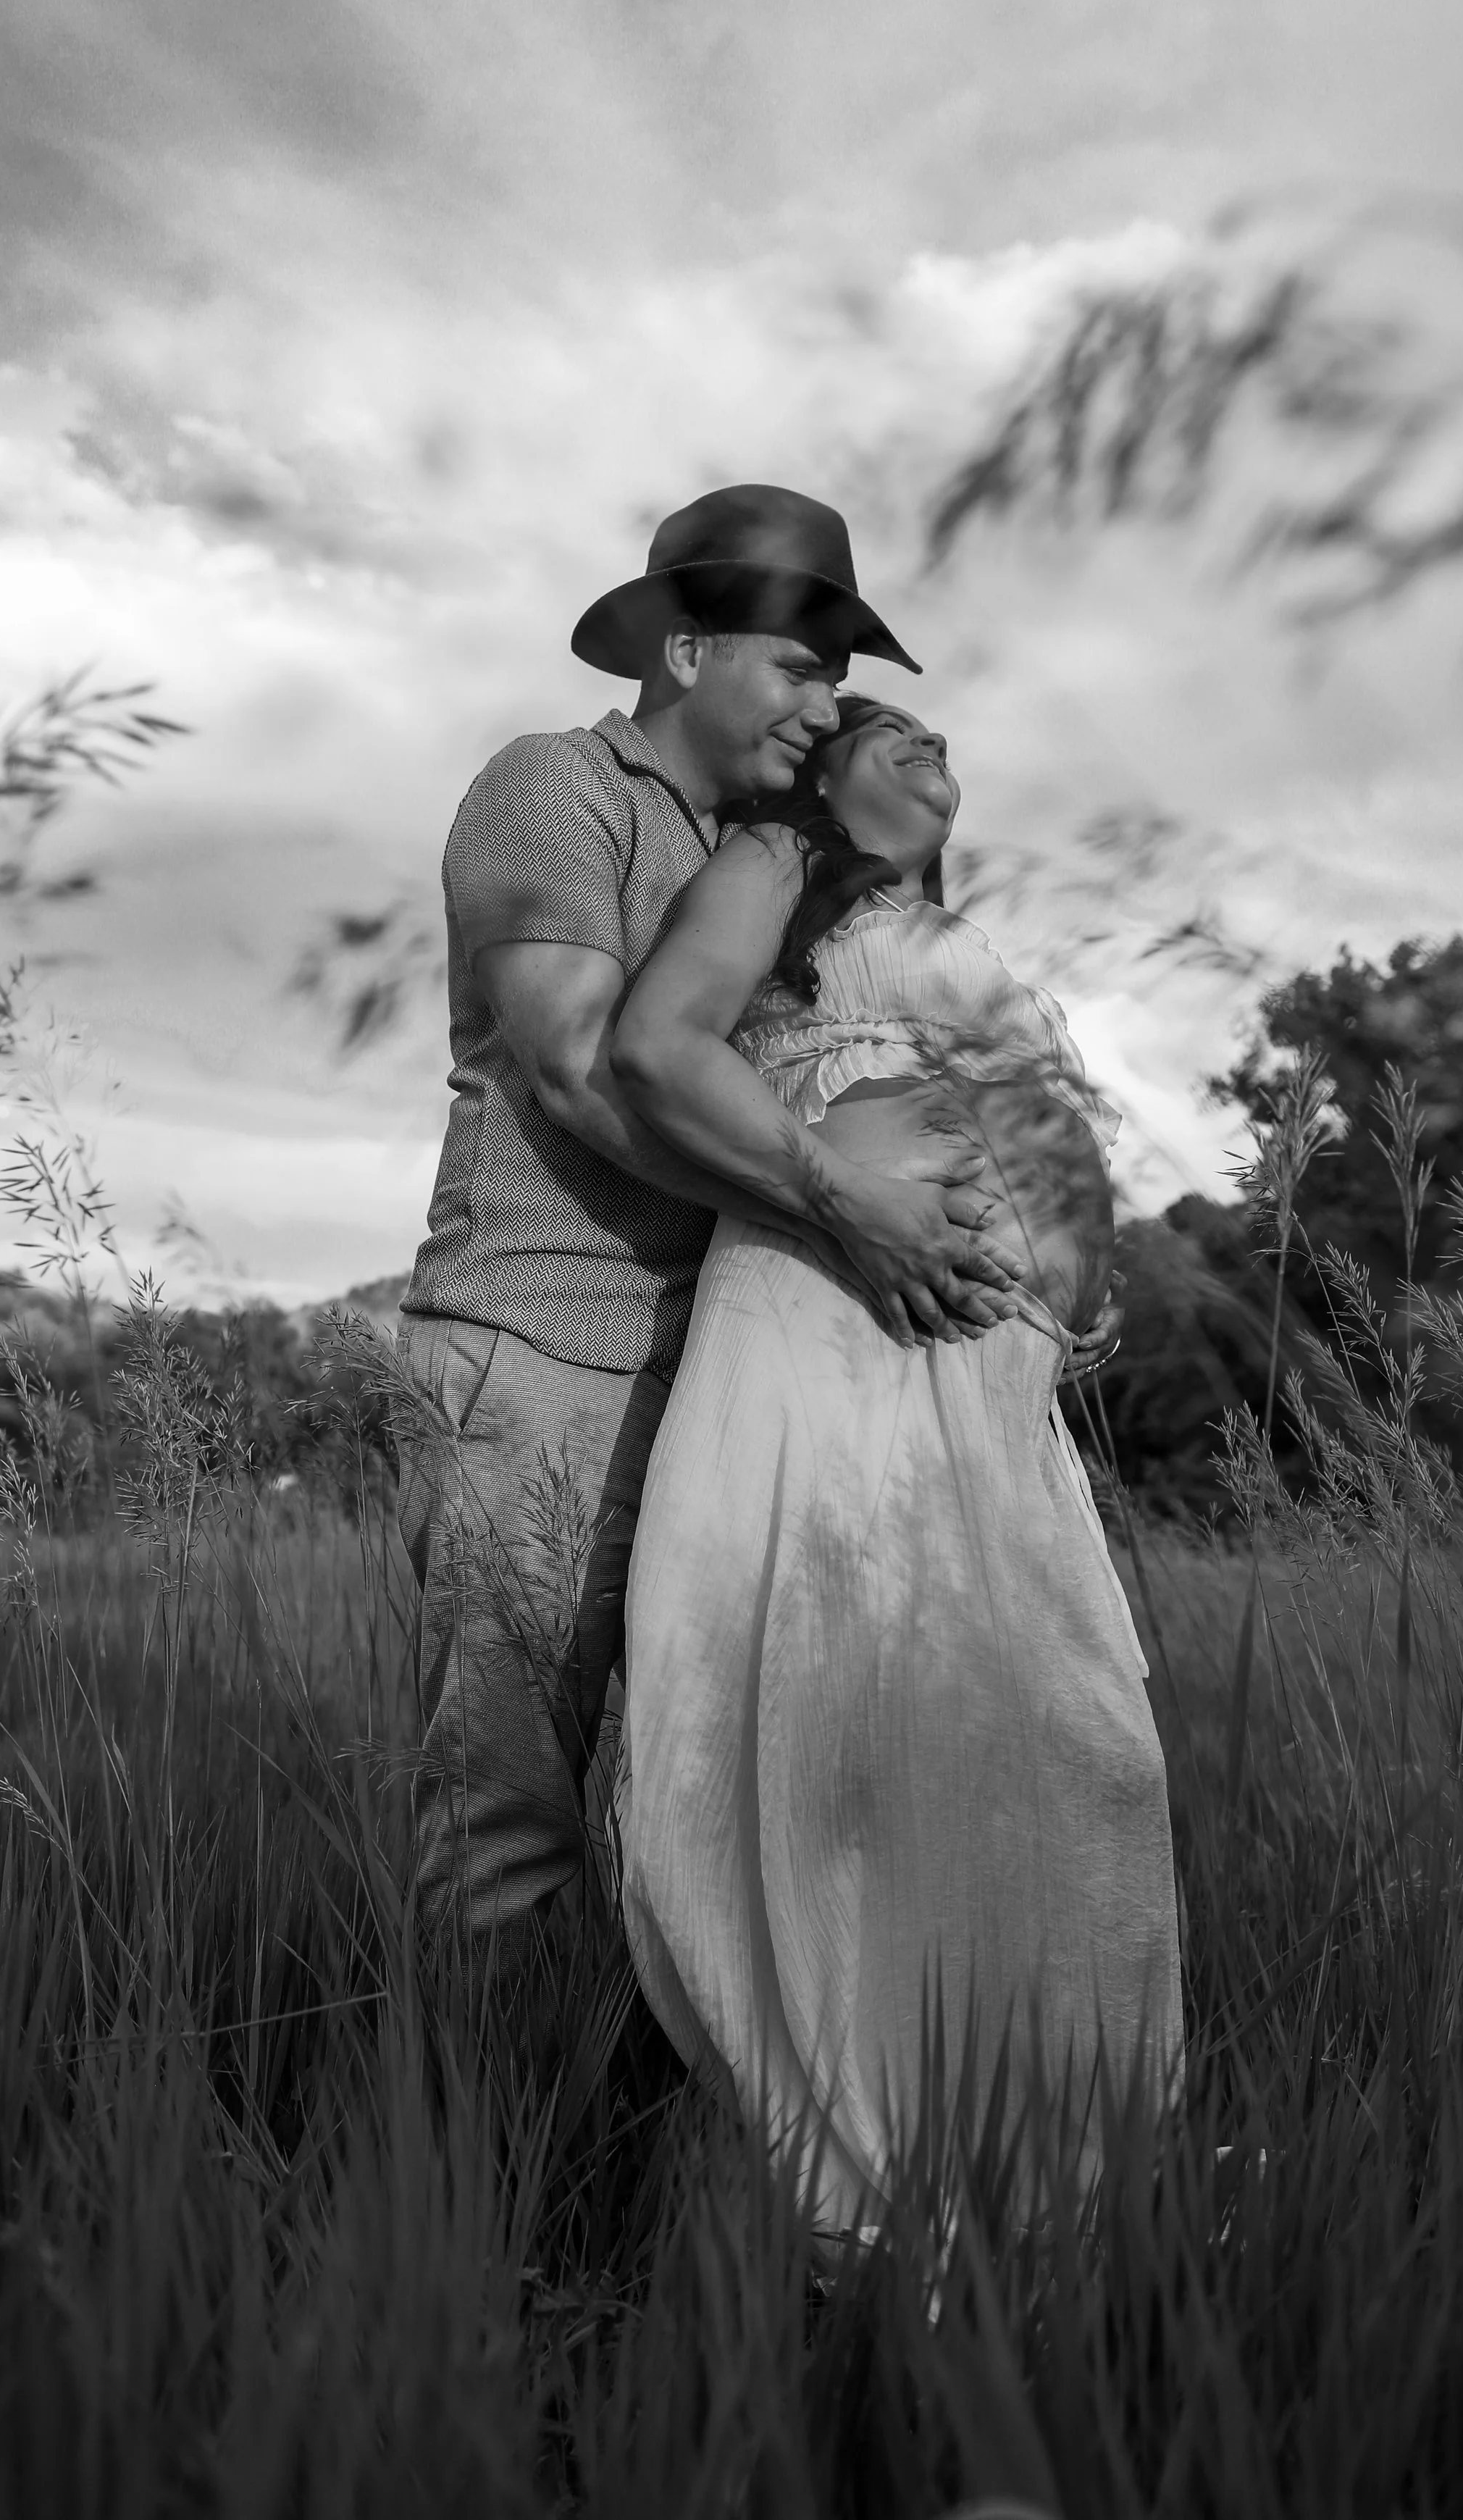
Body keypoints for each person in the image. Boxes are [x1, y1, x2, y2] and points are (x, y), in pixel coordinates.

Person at [395, 486, 1030, 1955]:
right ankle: (495, 2176)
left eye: (836, 679)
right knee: (505, 1824)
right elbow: (571, 1062)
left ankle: (665, 2154)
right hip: (543, 1349)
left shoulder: (773, 852)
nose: (825, 706)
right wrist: (837, 1213)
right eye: (799, 666)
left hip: (732, 1373)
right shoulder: (553, 785)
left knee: (713, 1815)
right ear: (685, 654)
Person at [611, 693, 1183, 2230]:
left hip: (981, 1374)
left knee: (1051, 1730)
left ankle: (1047, 2154)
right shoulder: (770, 869)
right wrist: (846, 1201)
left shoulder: (949, 934)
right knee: (834, 1709)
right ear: (821, 771)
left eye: (946, 742)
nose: (938, 751)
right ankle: (848, 2164)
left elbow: (1060, 1157)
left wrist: (1054, 1290)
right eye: (894, 732)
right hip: (828, 1311)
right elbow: (656, 1048)